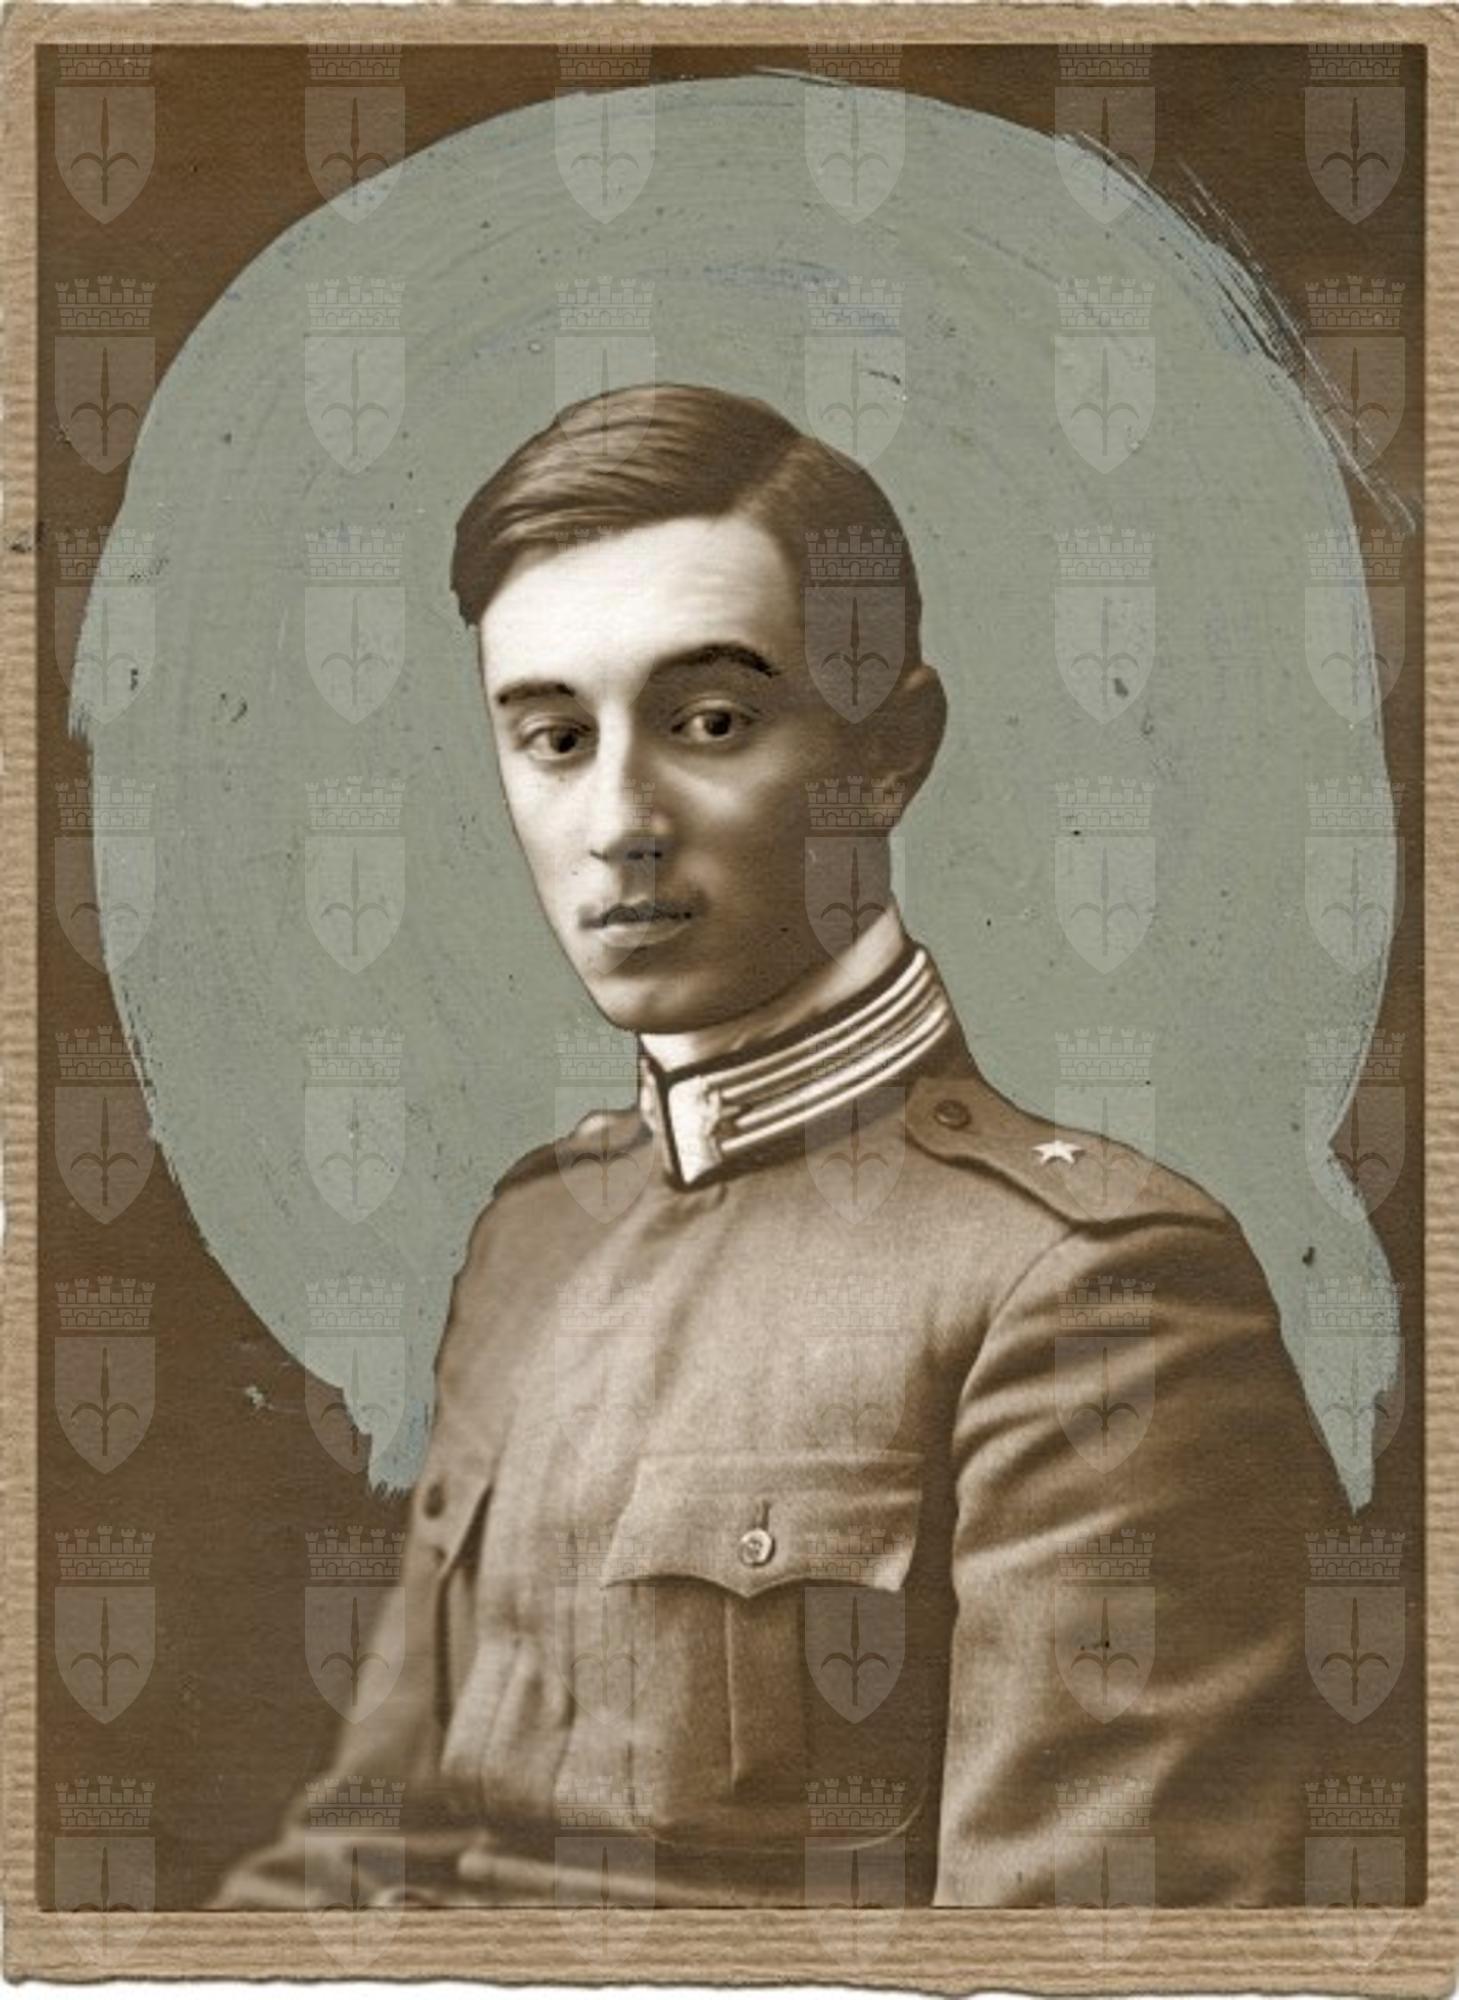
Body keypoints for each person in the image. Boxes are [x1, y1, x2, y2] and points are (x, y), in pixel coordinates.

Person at [212, 383, 1346, 1912]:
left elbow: (1072, 1962)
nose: (620, 818)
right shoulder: (533, 1233)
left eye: (710, 724)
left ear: (891, 752)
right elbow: (361, 1859)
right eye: (553, 738)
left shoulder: (1092, 1291)